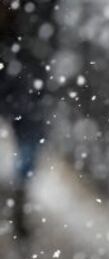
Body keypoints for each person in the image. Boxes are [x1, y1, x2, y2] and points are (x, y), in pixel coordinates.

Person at [0, 0, 57, 239]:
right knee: (30, 136)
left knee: (30, 139)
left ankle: (20, 196)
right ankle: (19, 198)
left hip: (27, 70)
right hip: (25, 68)